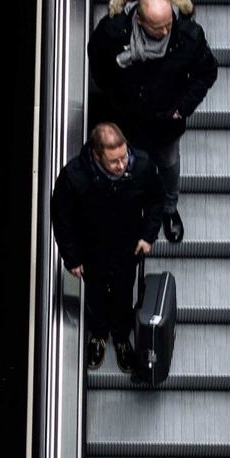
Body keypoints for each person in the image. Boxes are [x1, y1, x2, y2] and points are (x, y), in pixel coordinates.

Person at [88, 0, 217, 243]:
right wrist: (115, 96)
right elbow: (98, 64)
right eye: (159, 27)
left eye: (169, 23)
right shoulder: (113, 32)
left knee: (169, 166)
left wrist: (182, 108)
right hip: (127, 122)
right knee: (126, 166)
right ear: (139, 20)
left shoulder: (187, 36)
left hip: (165, 124)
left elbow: (207, 72)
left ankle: (169, 209)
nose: (167, 31)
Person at [50, 122, 164, 372]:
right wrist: (72, 258)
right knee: (95, 294)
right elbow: (62, 218)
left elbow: (156, 199)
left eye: (124, 157)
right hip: (92, 250)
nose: (122, 165)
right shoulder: (74, 177)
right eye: (114, 161)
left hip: (127, 247)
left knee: (124, 292)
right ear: (95, 155)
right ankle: (99, 334)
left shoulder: (141, 166)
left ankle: (121, 337)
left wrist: (148, 236)